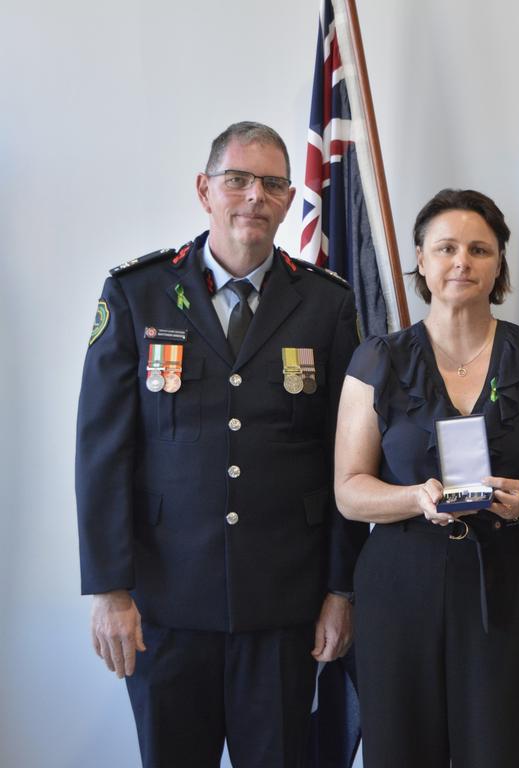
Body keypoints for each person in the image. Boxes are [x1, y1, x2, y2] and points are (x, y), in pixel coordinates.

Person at [76, 121, 367, 767]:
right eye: (237, 180)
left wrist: (341, 590)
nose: (253, 197)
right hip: (164, 607)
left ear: (291, 200)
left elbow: (346, 457)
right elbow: (103, 452)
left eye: (270, 184)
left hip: (285, 605)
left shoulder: (326, 304)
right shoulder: (137, 293)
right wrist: (109, 590)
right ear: (205, 189)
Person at [334, 188, 519, 768]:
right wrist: (413, 497)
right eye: (445, 248)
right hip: (400, 584)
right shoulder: (378, 359)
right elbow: (350, 490)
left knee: (503, 751)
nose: (462, 262)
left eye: (479, 249)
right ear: (421, 259)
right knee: (400, 752)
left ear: (499, 263)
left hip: (511, 583)